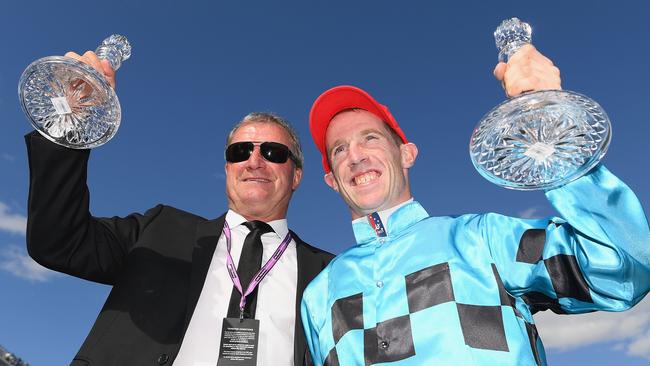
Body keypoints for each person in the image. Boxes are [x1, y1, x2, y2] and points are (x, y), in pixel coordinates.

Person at [300, 45, 650, 365]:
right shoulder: (318, 296)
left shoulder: (482, 239)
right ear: (332, 180)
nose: (356, 156)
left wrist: (549, 115)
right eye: (339, 150)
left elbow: (624, 267)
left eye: (370, 138)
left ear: (407, 154)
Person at [25, 51, 333, 366]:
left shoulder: (330, 274)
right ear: (228, 169)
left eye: (273, 152)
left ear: (296, 174)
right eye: (240, 151)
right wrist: (68, 123)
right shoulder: (160, 229)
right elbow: (58, 242)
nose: (254, 161)